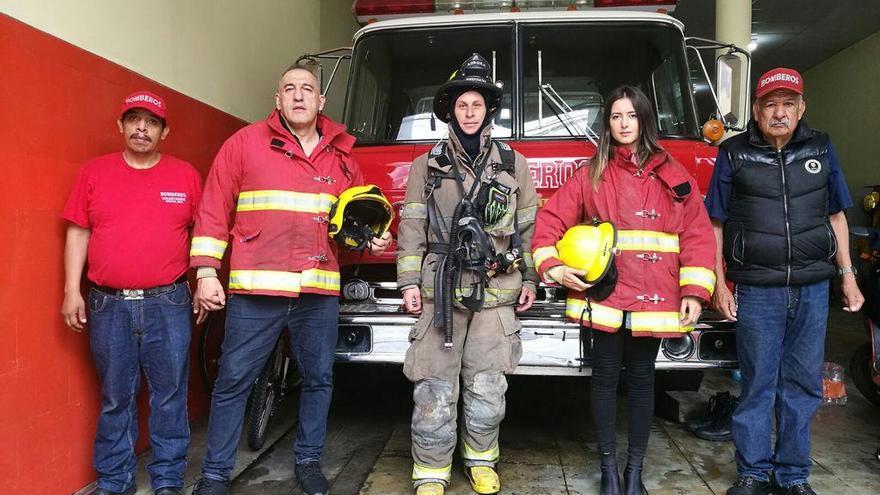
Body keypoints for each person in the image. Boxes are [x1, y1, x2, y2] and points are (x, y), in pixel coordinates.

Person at [189, 60, 391, 495]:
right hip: (256, 291)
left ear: (321, 101)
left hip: (317, 291)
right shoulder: (243, 145)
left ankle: (308, 461)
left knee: (319, 379)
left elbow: (354, 223)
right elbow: (213, 208)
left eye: (307, 89)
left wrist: (372, 239)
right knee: (232, 382)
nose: (298, 95)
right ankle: (215, 475)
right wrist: (207, 271)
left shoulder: (342, 158)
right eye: (289, 88)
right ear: (277, 100)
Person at [532, 85, 716, 495]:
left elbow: (698, 235)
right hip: (605, 297)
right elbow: (548, 223)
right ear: (608, 123)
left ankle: (635, 472)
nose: (623, 124)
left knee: (641, 382)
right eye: (616, 117)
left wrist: (694, 291)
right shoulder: (592, 172)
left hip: (655, 298)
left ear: (644, 120)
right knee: (602, 381)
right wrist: (555, 267)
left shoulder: (673, 173)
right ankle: (610, 472)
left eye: (630, 116)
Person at [706, 68, 864, 495]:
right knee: (757, 384)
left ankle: (793, 476)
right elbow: (715, 223)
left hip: (813, 288)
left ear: (802, 108)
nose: (780, 112)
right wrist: (719, 283)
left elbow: (836, 215)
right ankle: (754, 473)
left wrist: (848, 275)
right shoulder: (734, 153)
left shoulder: (821, 147)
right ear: (756, 110)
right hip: (757, 288)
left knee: (802, 385)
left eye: (788, 103)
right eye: (770, 104)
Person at [396, 53, 539, 495]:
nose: (470, 112)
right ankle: (432, 472)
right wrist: (408, 283)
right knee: (434, 387)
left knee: (488, 384)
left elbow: (527, 229)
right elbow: (412, 226)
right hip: (440, 289)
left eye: (477, 104)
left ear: (488, 110)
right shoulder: (427, 165)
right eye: (462, 105)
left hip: (496, 290)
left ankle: (480, 461)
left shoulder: (514, 163)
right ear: (450, 110)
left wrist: (531, 278)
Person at [61, 91, 202, 495]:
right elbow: (78, 230)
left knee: (170, 397)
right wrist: (73, 290)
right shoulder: (93, 173)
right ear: (120, 126)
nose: (142, 127)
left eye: (152, 121)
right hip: (108, 304)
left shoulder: (186, 175)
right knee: (115, 398)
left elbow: (203, 233)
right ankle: (114, 482)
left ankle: (168, 482)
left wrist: (204, 280)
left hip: (168, 302)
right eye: (134, 119)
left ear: (165, 131)